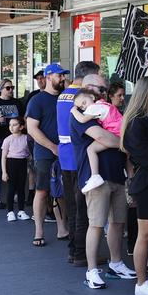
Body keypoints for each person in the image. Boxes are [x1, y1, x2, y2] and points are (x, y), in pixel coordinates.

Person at [73, 73, 135, 289]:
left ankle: (116, 263)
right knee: (96, 225)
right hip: (95, 178)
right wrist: (123, 142)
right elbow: (105, 138)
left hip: (117, 174)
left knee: (118, 222)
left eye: (104, 89)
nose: (103, 93)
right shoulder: (82, 115)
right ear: (87, 88)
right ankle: (91, 271)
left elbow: (114, 137)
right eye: (99, 89)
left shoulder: (107, 110)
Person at [58, 61, 100, 265]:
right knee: (82, 208)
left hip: (65, 156)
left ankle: (73, 250)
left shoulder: (63, 94)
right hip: (78, 156)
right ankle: (81, 253)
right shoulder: (80, 98)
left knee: (73, 207)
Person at [122, 74, 148, 295]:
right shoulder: (137, 122)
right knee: (145, 235)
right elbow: (146, 157)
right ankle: (141, 282)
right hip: (147, 185)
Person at [27, 63, 71, 247]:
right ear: (49, 76)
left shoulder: (65, 98)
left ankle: (62, 227)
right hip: (45, 152)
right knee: (42, 190)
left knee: (61, 191)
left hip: (64, 151)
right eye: (59, 75)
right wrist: (53, 147)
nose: (62, 78)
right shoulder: (37, 100)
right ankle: (39, 230)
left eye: (63, 76)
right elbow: (32, 129)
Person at [71, 87, 123, 194]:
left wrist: (74, 110)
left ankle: (95, 176)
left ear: (92, 97)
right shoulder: (103, 103)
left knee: (91, 149)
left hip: (115, 132)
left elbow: (82, 119)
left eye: (84, 103)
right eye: (82, 106)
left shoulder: (94, 108)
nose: (84, 107)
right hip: (121, 130)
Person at [0, 118, 31, 222]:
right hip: (11, 163)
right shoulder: (8, 139)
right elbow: (3, 157)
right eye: (10, 125)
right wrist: (4, 172)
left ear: (21, 127)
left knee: (21, 188)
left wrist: (29, 167)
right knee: (11, 188)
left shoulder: (26, 138)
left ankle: (21, 211)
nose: (11, 127)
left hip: (22, 163)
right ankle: (10, 212)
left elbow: (28, 154)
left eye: (14, 125)